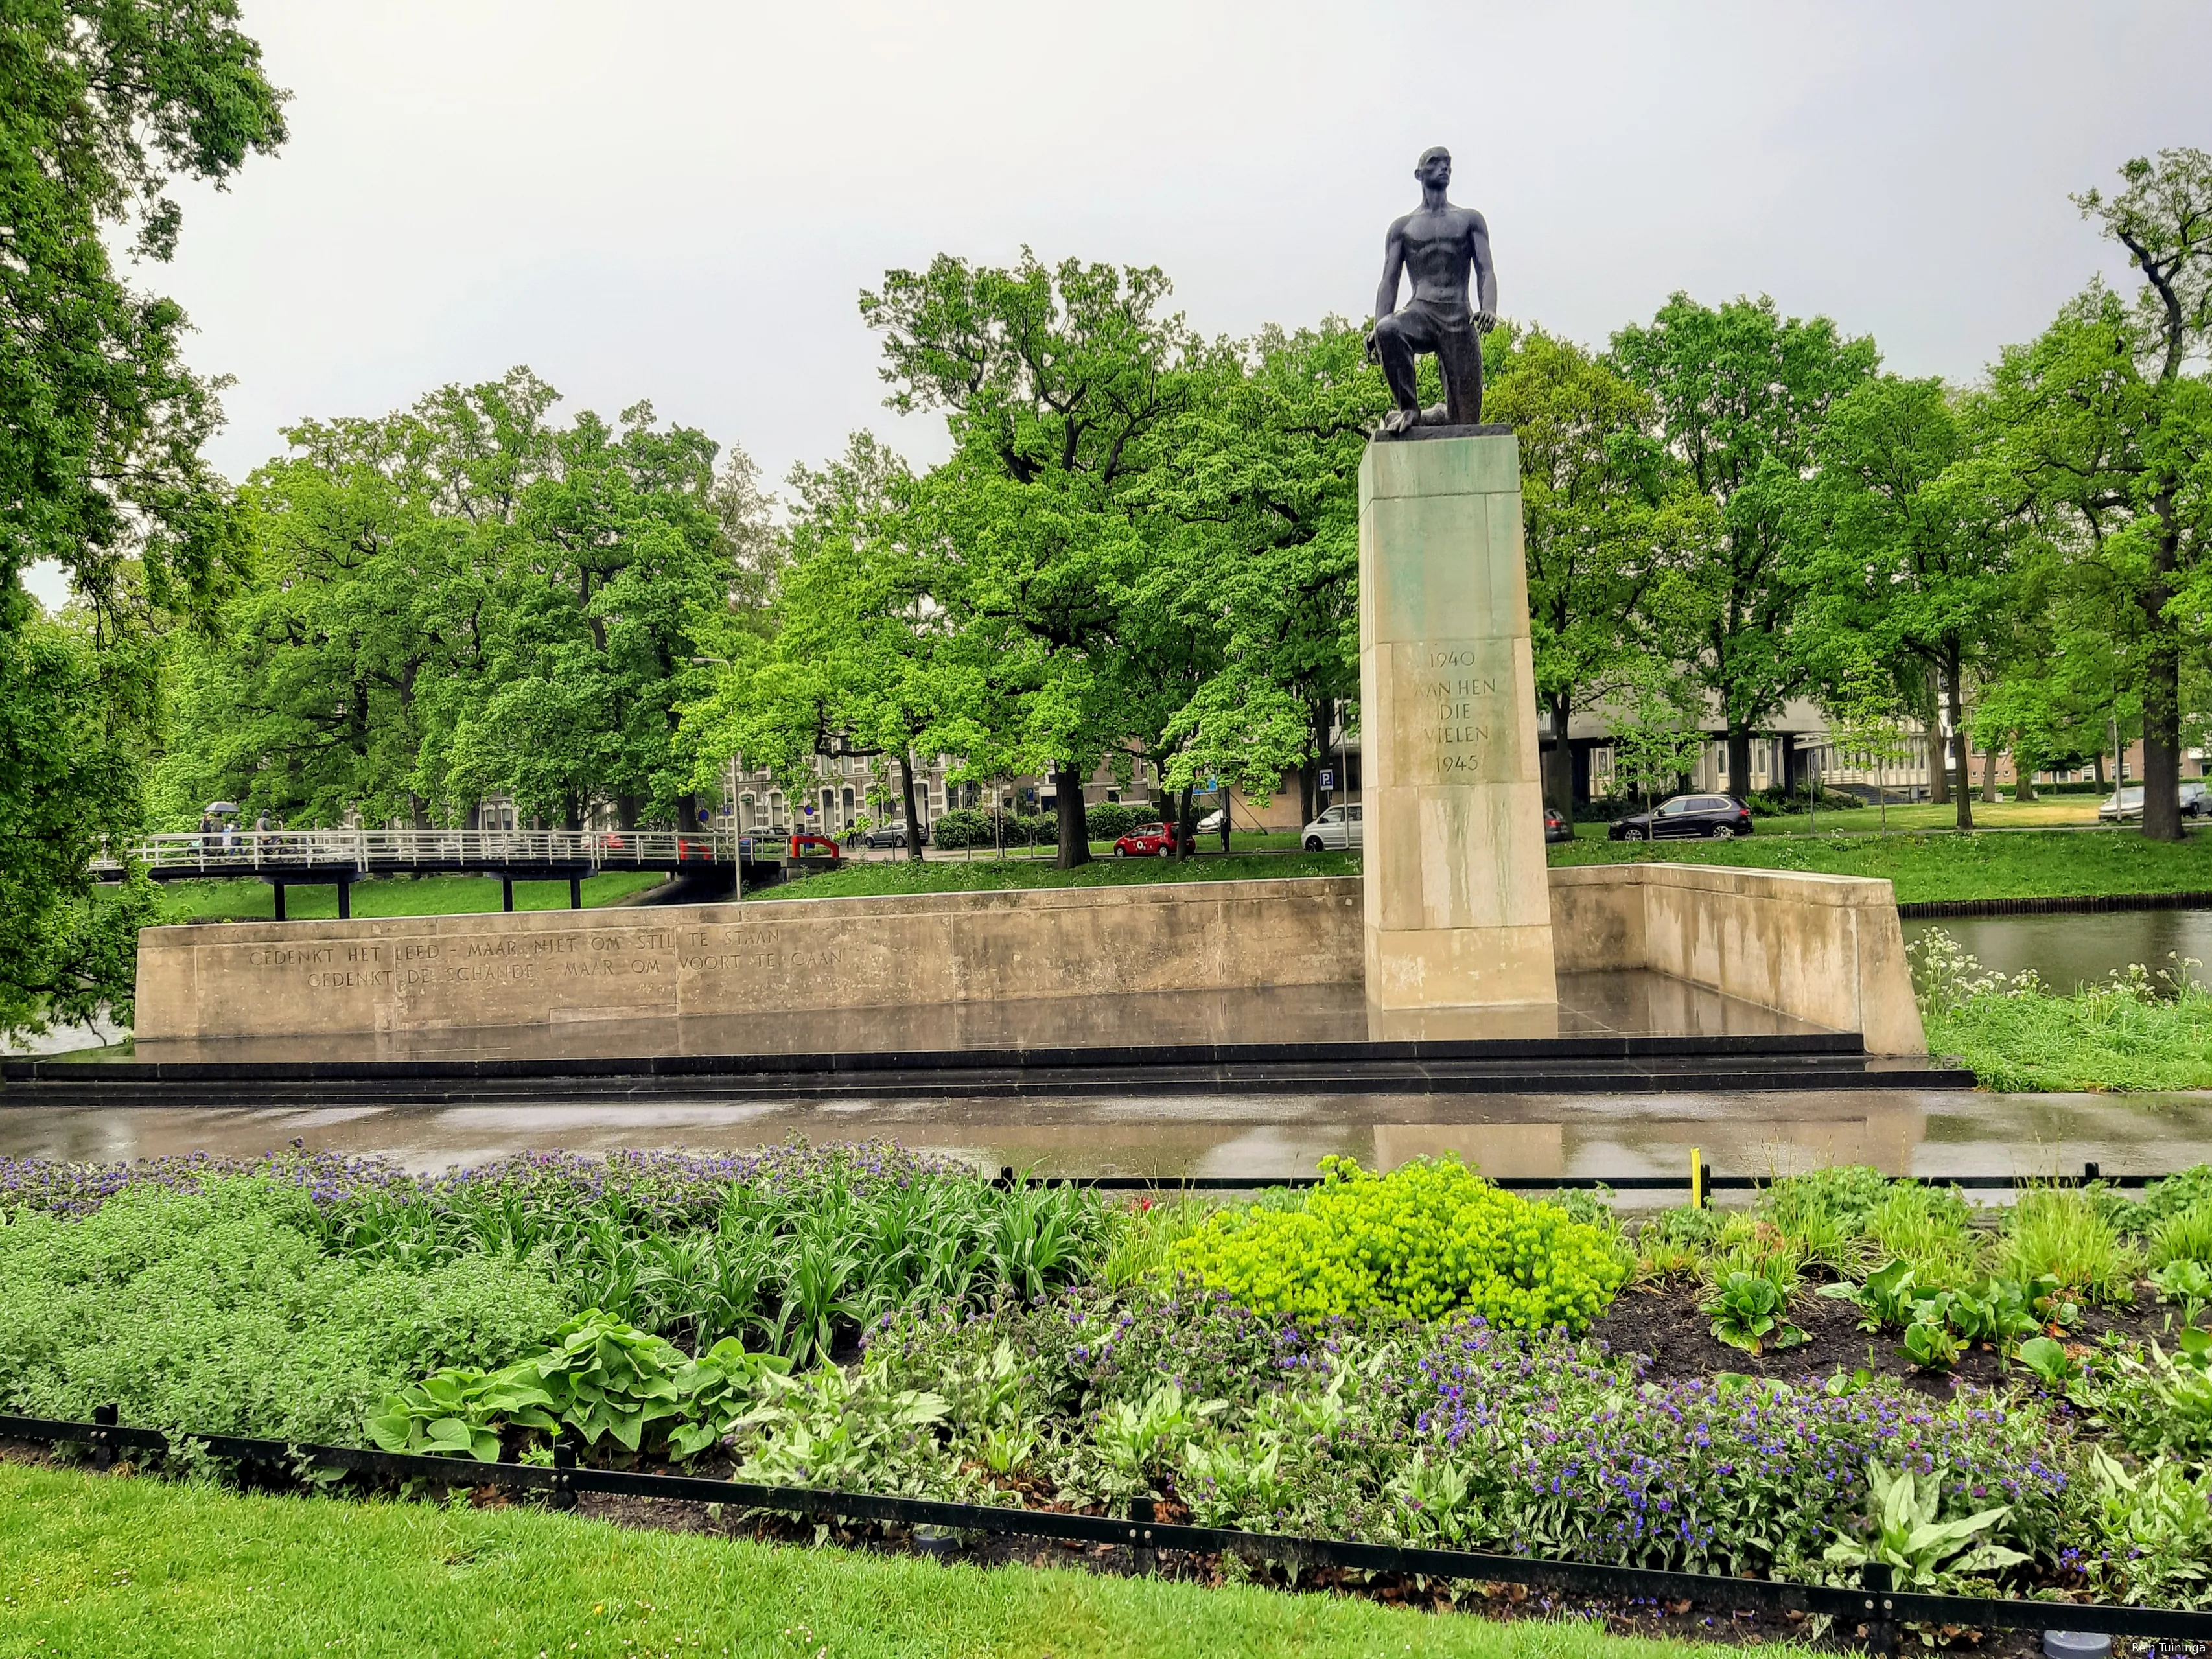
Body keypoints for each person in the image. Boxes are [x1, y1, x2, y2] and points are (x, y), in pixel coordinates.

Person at [1369, 146, 1497, 433]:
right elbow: (1389, 280)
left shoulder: (1469, 220)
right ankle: (1410, 409)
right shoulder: (1402, 227)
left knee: (1467, 425)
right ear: (1419, 174)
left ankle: (1438, 414)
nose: (1444, 167)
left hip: (1459, 319)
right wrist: (1377, 328)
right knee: (1389, 329)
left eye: (1448, 163)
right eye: (1435, 162)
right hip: (1421, 312)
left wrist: (1488, 308)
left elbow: (1486, 270)